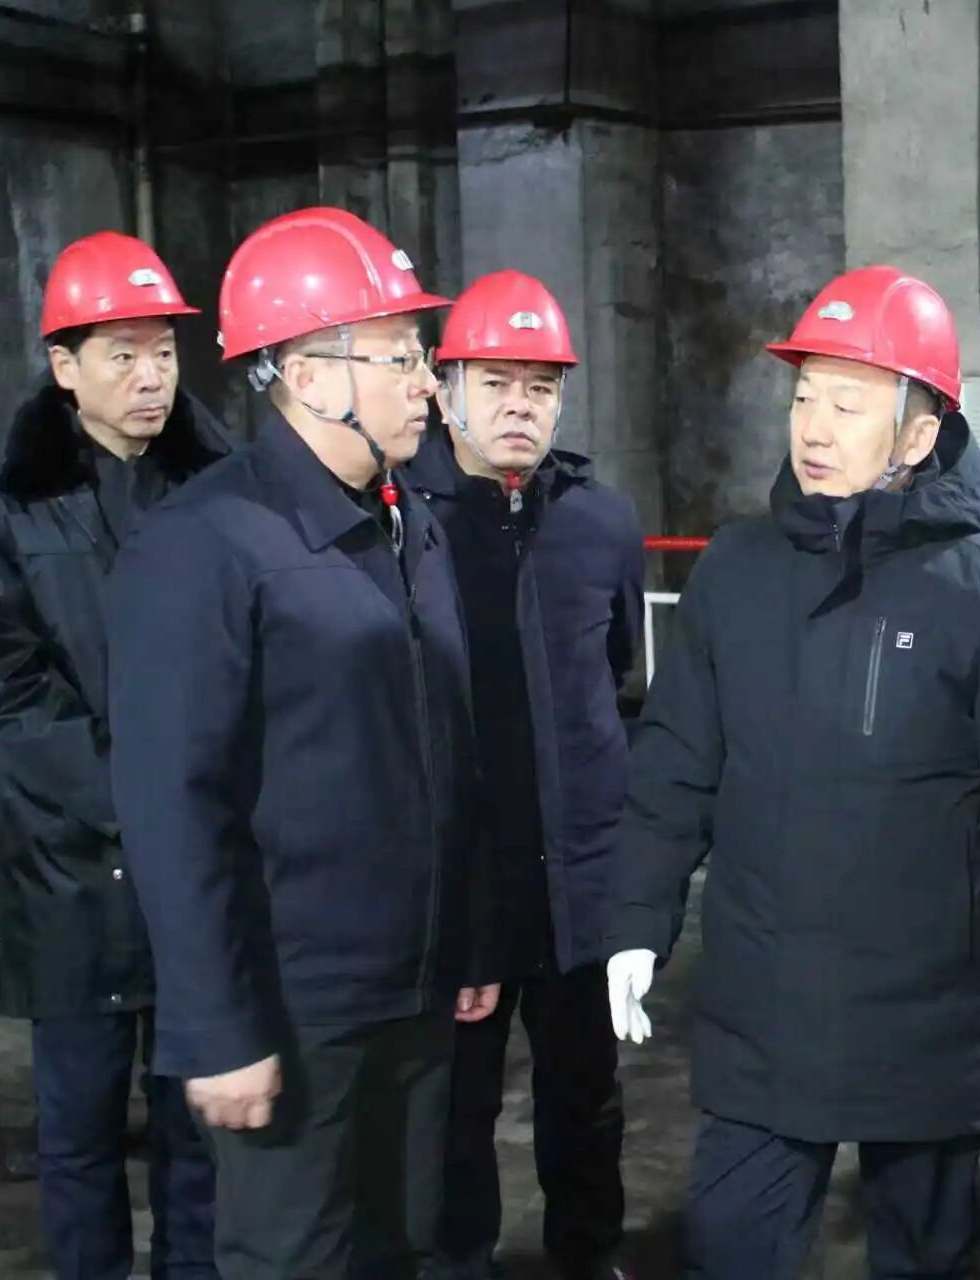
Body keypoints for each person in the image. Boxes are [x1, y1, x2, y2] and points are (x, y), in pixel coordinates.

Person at [604, 266, 980, 1278]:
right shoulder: (736, 573)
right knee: (732, 1249)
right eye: (804, 398)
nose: (814, 428)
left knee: (924, 1254)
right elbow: (674, 768)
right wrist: (636, 919)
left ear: (917, 434)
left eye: (847, 403)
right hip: (764, 1008)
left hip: (930, 1013)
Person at [105, 207, 500, 1279]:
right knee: (295, 1258)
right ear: (312, 375)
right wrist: (217, 1028)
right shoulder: (202, 544)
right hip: (293, 1004)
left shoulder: (409, 522)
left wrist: (467, 940)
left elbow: (447, 750)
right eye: (399, 356)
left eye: (421, 354)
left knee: (399, 1244)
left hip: (413, 989)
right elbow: (174, 807)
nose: (427, 383)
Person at [0, 231, 226, 1280]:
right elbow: (7, 684)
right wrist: (139, 801)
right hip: (69, 866)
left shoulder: (223, 482)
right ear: (64, 365)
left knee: (201, 1131)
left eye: (164, 351)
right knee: (80, 1134)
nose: (152, 377)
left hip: (202, 865)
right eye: (123, 354)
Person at [408, 270, 642, 1280]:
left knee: (586, 1093)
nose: (520, 406)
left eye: (541, 387)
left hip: (577, 874)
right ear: (443, 385)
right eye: (496, 382)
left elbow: (617, 673)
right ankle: (457, 1260)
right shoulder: (404, 520)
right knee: (455, 1103)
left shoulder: (600, 521)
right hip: (464, 880)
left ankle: (588, 1255)